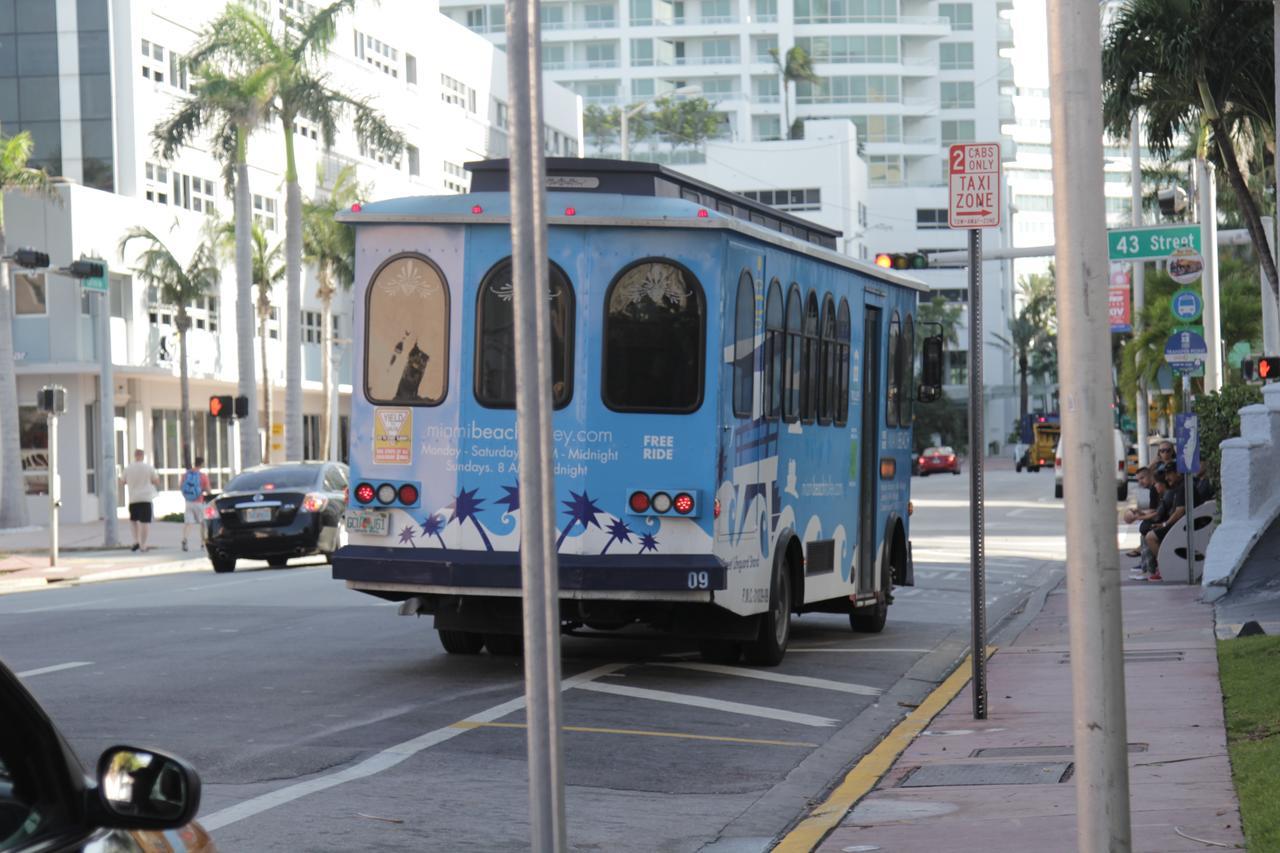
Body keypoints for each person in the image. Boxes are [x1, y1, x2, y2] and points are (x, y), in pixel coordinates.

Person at [123, 449, 160, 552]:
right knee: (145, 522)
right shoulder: (149, 468)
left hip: (133, 498)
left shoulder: (128, 468)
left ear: (135, 456)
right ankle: (143, 545)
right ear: (143, 456)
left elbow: (122, 481)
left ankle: (136, 541)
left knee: (133, 521)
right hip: (146, 498)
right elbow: (156, 481)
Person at [179, 457, 211, 552]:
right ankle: (202, 543)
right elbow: (208, 490)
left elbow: (181, 487)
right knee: (202, 523)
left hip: (188, 502)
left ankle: (185, 539)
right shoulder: (202, 476)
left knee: (188, 523)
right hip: (199, 502)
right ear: (202, 464)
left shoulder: (186, 475)